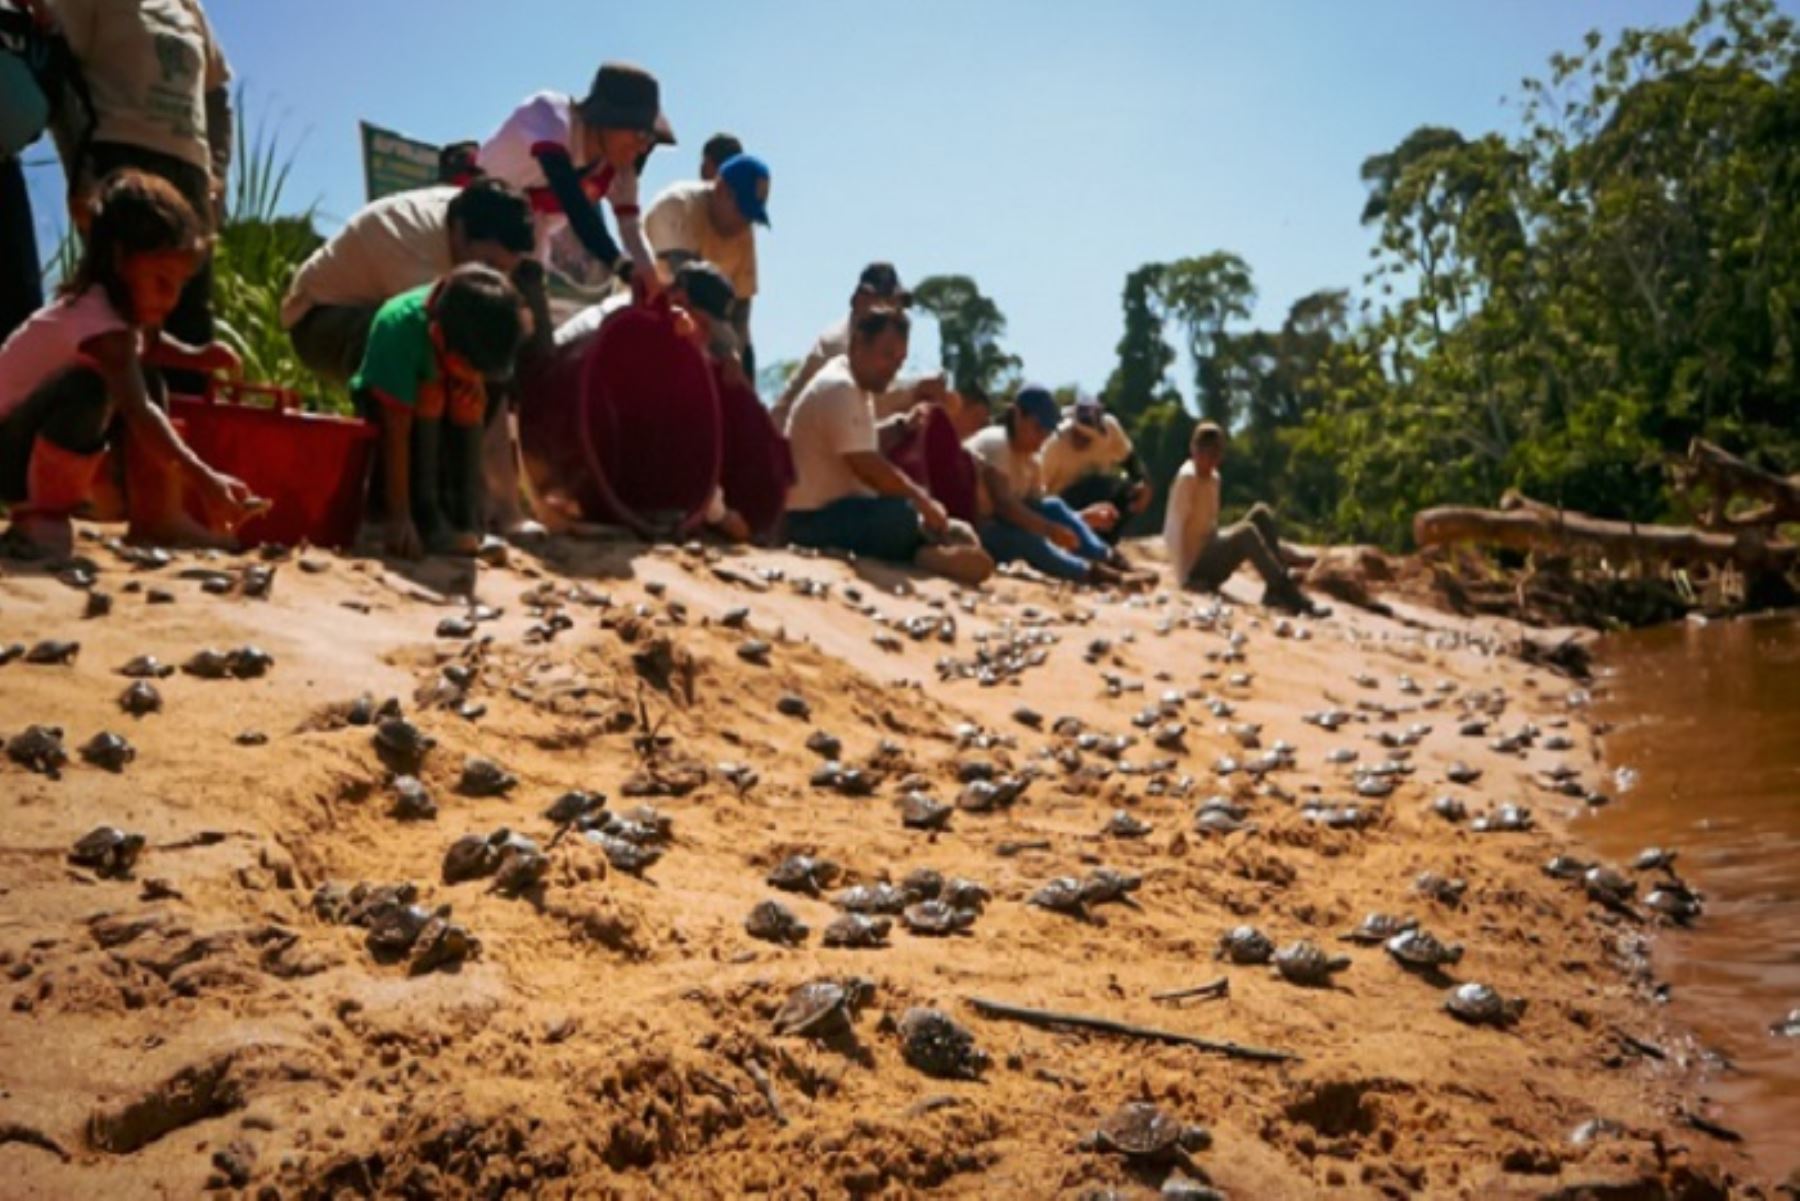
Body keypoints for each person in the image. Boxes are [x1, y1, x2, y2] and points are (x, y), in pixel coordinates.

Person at [0, 168, 252, 556]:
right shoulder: (96, 319)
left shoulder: (121, 320)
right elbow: (137, 411)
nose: (170, 300)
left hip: (26, 439)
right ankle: (40, 512)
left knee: (146, 377)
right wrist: (203, 479)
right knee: (93, 390)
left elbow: (147, 348)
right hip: (8, 449)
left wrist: (194, 357)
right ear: (119, 259)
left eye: (178, 287)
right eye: (161, 281)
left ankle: (157, 517)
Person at [46, 0, 232, 391]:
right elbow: (59, 74)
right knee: (122, 310)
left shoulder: (188, 7)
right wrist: (81, 171)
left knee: (189, 315)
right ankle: (105, 437)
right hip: (122, 160)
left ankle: (186, 440)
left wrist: (217, 170)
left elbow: (215, 94)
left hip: (189, 175)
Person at [783, 307, 990, 585]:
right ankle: (923, 554)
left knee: (920, 515)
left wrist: (901, 427)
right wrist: (922, 501)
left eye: (900, 361)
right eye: (887, 355)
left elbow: (860, 442)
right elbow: (867, 466)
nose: (893, 368)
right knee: (898, 515)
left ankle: (933, 544)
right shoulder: (839, 388)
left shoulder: (859, 389)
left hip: (844, 509)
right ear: (858, 345)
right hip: (811, 519)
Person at [350, 263, 524, 560]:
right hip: (394, 421)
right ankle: (424, 514)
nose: (475, 376)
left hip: (446, 418)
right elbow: (396, 432)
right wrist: (400, 517)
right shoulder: (399, 328)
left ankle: (466, 518)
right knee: (429, 394)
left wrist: (473, 405)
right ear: (438, 335)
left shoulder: (483, 327)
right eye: (470, 368)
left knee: (467, 402)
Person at [477, 62, 672, 292]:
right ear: (607, 118)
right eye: (639, 132)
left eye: (649, 138)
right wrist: (621, 265)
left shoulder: (618, 169)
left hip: (526, 238)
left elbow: (630, 226)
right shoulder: (549, 115)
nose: (642, 147)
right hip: (470, 218)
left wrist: (650, 277)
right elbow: (571, 199)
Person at [968, 385, 1133, 587]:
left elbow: (1040, 511)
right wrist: (1049, 530)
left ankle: (1107, 557)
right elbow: (1005, 506)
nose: (1042, 438)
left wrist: (1080, 519)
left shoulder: (1031, 461)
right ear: (1018, 416)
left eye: (1046, 431)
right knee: (1029, 541)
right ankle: (1088, 573)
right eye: (1037, 428)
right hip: (978, 528)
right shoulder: (997, 443)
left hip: (1003, 524)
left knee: (1053, 506)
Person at [1164, 421, 1319, 613]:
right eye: (1206, 452)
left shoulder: (1214, 479)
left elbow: (1209, 525)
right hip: (1195, 568)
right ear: (1194, 450)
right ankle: (1286, 590)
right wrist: (1184, 579)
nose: (1211, 459)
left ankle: (1274, 589)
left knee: (1260, 513)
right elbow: (1173, 527)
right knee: (1246, 532)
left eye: (1216, 453)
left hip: (1211, 551)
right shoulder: (1187, 479)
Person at [771, 261, 941, 428]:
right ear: (860, 299)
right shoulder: (837, 344)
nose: (895, 312)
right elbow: (858, 398)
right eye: (886, 302)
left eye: (897, 305)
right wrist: (914, 391)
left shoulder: (870, 347)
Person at [645, 153, 767, 376]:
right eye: (741, 210)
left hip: (698, 339)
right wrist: (727, 351)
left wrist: (739, 372)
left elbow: (740, 315)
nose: (745, 223)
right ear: (720, 189)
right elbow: (689, 291)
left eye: (751, 217)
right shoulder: (677, 205)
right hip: (644, 321)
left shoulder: (742, 231)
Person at [1040, 394, 1152, 543]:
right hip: (1067, 504)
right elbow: (1040, 489)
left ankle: (1107, 545)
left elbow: (1130, 461)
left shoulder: (1111, 428)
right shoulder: (1055, 444)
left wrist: (1143, 484)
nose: (1079, 441)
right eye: (1077, 433)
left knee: (1128, 491)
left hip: (1101, 500)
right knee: (1098, 485)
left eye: (1086, 438)